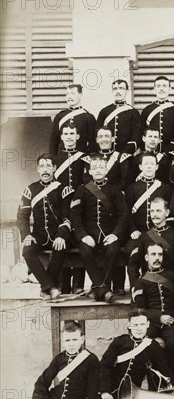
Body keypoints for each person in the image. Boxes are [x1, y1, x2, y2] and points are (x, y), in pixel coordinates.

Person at [0, 321, 105, 399]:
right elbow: (42, 382)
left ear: (82, 339)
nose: (71, 344)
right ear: (62, 341)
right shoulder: (59, 359)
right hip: (51, 398)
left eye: (74, 340)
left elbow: (92, 392)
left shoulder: (91, 360)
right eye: (67, 340)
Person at [69, 154, 129, 303]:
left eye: (101, 167)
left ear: (106, 170)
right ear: (89, 171)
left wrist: (116, 234)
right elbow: (74, 216)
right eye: (94, 168)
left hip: (109, 234)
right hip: (89, 235)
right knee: (85, 250)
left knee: (113, 250)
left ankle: (99, 289)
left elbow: (124, 214)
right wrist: (83, 236)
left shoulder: (114, 191)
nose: (98, 170)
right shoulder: (81, 190)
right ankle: (104, 290)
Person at [131, 243, 174, 380]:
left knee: (173, 345)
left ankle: (172, 385)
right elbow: (138, 309)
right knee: (144, 343)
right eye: (153, 255)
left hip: (172, 323)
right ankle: (153, 386)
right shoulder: (140, 282)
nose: (157, 258)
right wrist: (159, 317)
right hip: (151, 323)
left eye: (160, 254)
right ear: (146, 257)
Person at [17, 154, 73, 300]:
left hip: (58, 232)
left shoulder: (64, 190)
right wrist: (26, 235)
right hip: (39, 234)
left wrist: (61, 235)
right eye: (42, 166)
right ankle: (50, 287)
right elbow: (22, 216)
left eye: (48, 166)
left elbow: (68, 217)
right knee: (27, 251)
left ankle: (46, 289)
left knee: (60, 248)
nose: (45, 170)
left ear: (54, 168)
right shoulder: (30, 190)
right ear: (37, 169)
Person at [99, 310, 173, 399]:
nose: (139, 329)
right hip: (110, 390)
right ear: (129, 325)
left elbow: (164, 369)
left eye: (142, 324)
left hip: (131, 395)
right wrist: (105, 391)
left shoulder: (152, 346)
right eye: (135, 325)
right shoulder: (119, 342)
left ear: (148, 324)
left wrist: (169, 391)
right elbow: (104, 366)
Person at [52, 124, 87, 294]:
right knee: (64, 237)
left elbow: (87, 180)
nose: (69, 137)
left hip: (80, 204)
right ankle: (64, 284)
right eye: (66, 134)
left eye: (72, 133)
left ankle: (78, 284)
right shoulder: (55, 159)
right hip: (61, 205)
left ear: (78, 136)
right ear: (61, 136)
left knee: (79, 238)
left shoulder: (84, 157)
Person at [127, 197, 174, 285]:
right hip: (150, 287)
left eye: (158, 211)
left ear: (167, 212)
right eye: (152, 211)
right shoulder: (144, 237)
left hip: (173, 287)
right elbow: (133, 265)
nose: (154, 214)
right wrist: (136, 288)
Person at [125, 152, 173, 246]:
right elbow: (127, 213)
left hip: (160, 232)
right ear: (140, 167)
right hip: (139, 232)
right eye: (146, 164)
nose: (149, 166)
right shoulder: (132, 188)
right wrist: (133, 230)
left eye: (152, 164)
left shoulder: (165, 188)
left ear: (157, 167)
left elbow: (170, 212)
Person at [139, 76, 174, 154]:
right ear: (154, 89)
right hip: (150, 153)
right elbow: (141, 132)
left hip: (171, 152)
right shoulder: (147, 110)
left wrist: (169, 151)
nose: (161, 89)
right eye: (158, 86)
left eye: (164, 86)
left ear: (170, 89)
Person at [96, 79, 141, 155]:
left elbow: (136, 135)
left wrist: (125, 153)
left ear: (127, 91)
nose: (118, 91)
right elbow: (97, 133)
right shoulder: (104, 111)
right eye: (115, 89)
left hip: (125, 155)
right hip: (107, 155)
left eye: (121, 88)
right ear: (112, 92)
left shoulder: (133, 112)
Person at [49, 84, 96, 155]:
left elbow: (93, 142)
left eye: (72, 93)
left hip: (81, 159)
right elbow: (53, 141)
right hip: (62, 159)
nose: (69, 97)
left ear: (80, 95)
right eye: (67, 94)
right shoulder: (60, 116)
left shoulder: (88, 117)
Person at [83, 126, 130, 192]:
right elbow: (87, 181)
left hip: (115, 197)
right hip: (93, 196)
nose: (104, 139)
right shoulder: (90, 158)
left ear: (113, 139)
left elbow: (124, 181)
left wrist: (112, 194)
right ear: (97, 140)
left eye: (107, 136)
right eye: (100, 137)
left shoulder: (121, 157)